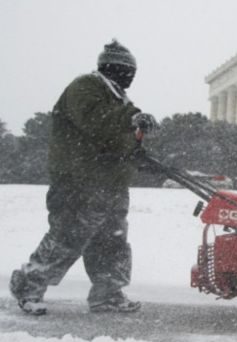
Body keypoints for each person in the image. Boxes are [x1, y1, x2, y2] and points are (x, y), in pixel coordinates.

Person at [9, 39, 157, 315]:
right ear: (113, 68)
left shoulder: (117, 99)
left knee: (111, 242)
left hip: (109, 185)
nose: (130, 76)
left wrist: (138, 152)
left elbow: (118, 140)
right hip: (79, 182)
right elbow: (97, 122)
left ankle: (107, 295)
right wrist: (132, 119)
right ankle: (28, 287)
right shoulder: (86, 87)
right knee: (67, 237)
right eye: (127, 70)